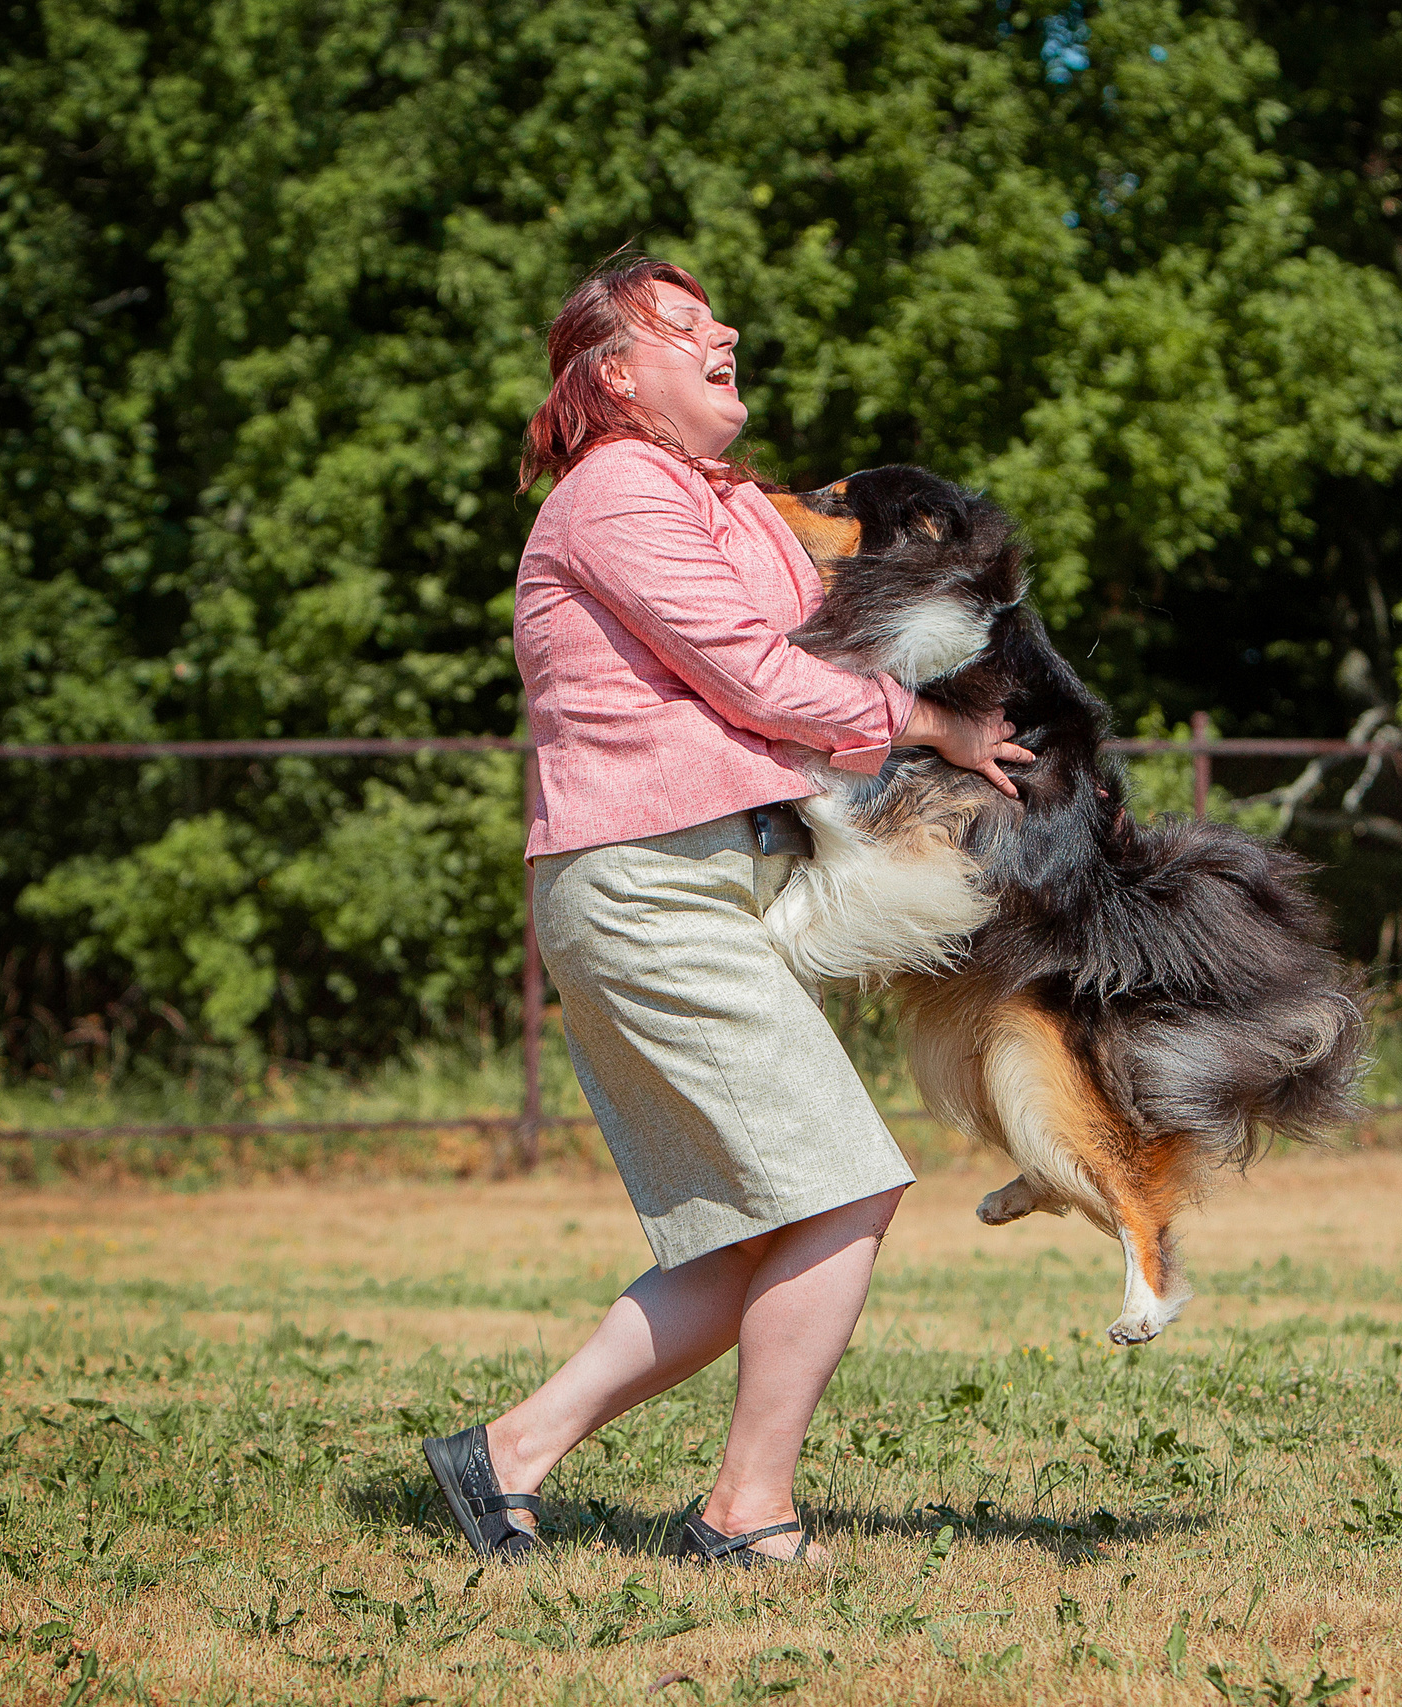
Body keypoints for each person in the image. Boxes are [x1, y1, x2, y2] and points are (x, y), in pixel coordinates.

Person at [421, 257, 1031, 1568]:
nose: (726, 333)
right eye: (685, 326)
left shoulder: (725, 499)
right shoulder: (618, 491)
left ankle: (504, 1457)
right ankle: (748, 1511)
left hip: (710, 882)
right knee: (850, 1189)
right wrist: (933, 726)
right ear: (615, 375)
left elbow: (833, 634)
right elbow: (756, 676)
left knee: (749, 1232)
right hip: (648, 883)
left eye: (718, 319)